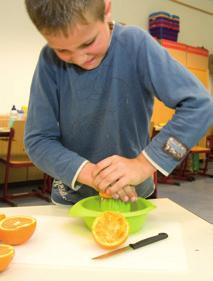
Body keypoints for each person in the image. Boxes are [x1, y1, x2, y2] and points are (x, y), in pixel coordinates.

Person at [24, 0, 213, 206]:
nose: (79, 58)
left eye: (88, 43)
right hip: (72, 199)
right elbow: (38, 140)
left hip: (135, 196)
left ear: (106, 10)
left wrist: (143, 164)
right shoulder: (48, 59)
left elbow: (199, 105)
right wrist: (94, 175)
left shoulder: (136, 44)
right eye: (63, 51)